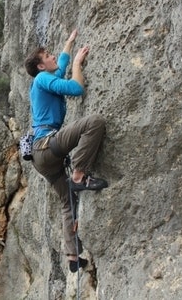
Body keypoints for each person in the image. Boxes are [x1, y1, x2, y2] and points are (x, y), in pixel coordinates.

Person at [24, 29, 108, 273]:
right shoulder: (41, 80)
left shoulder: (44, 81)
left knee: (67, 202)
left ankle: (72, 256)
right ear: (40, 66)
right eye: (47, 55)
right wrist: (78, 65)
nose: (52, 56)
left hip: (42, 159)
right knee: (95, 123)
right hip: (47, 145)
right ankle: (79, 175)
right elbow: (75, 88)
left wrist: (69, 44)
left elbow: (59, 66)